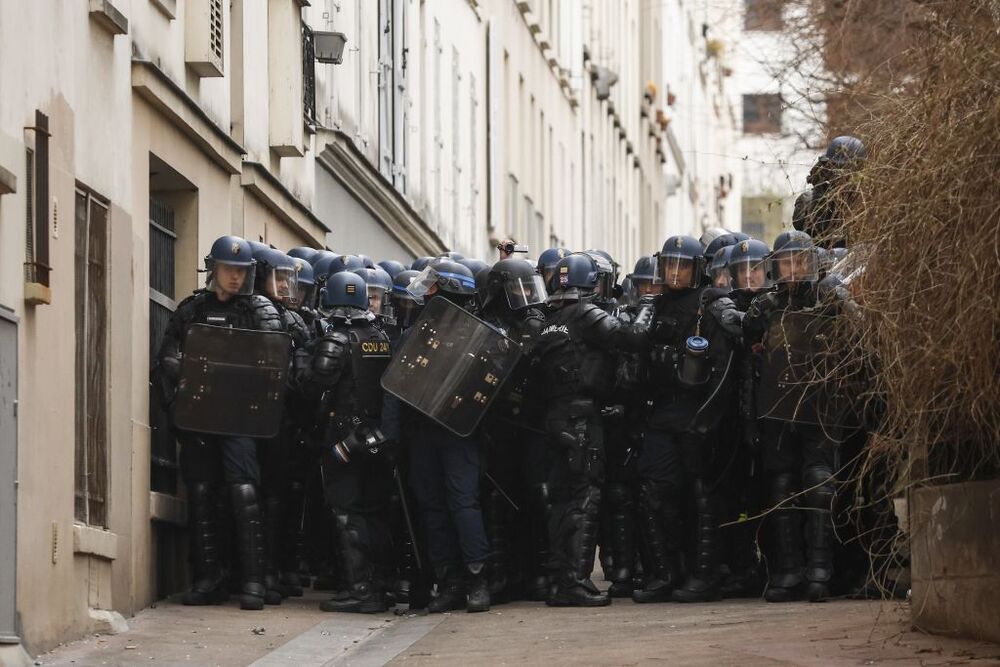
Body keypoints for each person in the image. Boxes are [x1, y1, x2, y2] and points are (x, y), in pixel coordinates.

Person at [154, 235, 284, 611]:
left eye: (241, 270)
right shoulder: (192, 308)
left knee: (244, 494)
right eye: (229, 269)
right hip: (199, 418)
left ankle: (254, 581)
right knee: (200, 493)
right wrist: (178, 404)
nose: (234, 277)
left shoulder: (260, 310)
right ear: (214, 269)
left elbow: (275, 365)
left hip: (241, 419)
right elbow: (167, 359)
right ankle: (208, 579)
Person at [534, 252, 648, 607]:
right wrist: (649, 304)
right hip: (582, 418)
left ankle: (558, 579)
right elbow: (633, 337)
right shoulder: (584, 313)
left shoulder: (549, 320)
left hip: (554, 418)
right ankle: (575, 582)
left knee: (560, 501)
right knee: (585, 498)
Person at [382, 259, 493, 613]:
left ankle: (477, 579)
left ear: (449, 291)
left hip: (458, 433)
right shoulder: (418, 331)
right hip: (422, 432)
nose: (424, 293)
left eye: (432, 286)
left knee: (463, 503)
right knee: (431, 507)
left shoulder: (478, 335)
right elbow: (395, 386)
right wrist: (392, 436)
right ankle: (448, 582)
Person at [743, 230, 847, 602]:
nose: (792, 269)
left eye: (798, 261)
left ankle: (820, 570)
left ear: (811, 261)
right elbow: (747, 339)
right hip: (777, 407)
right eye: (785, 262)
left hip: (819, 405)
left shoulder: (828, 294)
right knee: (782, 487)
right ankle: (788, 571)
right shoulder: (766, 305)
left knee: (820, 485)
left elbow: (854, 332)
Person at [632, 235, 737, 604]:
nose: (675, 272)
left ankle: (705, 575)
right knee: (653, 492)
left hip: (696, 415)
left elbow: (725, 367)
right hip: (661, 414)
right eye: (670, 265)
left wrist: (707, 420)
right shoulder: (654, 306)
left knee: (702, 498)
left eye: (683, 265)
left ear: (697, 269)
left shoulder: (709, 304)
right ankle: (665, 573)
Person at [308, 271, 395, 613]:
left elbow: (313, 385)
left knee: (346, 511)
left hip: (344, 437)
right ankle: (381, 585)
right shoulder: (382, 338)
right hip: (378, 437)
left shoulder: (338, 340)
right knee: (375, 512)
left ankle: (360, 588)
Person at [477, 258, 550, 601]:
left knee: (535, 497)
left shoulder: (536, 323)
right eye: (514, 290)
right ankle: (501, 574)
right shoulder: (486, 325)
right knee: (497, 499)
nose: (524, 297)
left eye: (527, 288)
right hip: (498, 423)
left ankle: (537, 572)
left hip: (532, 424)